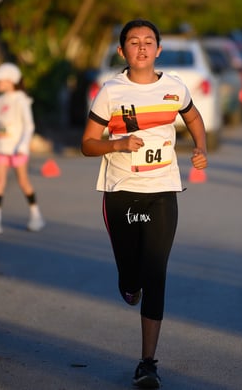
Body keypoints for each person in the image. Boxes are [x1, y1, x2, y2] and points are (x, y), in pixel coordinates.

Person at [81, 19, 207, 388]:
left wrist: (199, 147)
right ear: (122, 51)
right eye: (133, 42)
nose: (141, 47)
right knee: (132, 276)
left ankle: (148, 363)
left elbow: (193, 116)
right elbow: (87, 143)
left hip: (163, 190)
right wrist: (117, 144)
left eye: (148, 41)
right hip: (120, 192)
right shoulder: (110, 91)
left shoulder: (174, 87)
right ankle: (128, 282)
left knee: (156, 275)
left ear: (158, 50)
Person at [0, 62, 45, 235]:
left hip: (17, 150)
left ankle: (35, 215)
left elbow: (29, 126)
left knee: (23, 181)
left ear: (10, 81)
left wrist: (23, 145)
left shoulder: (21, 99)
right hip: (1, 148)